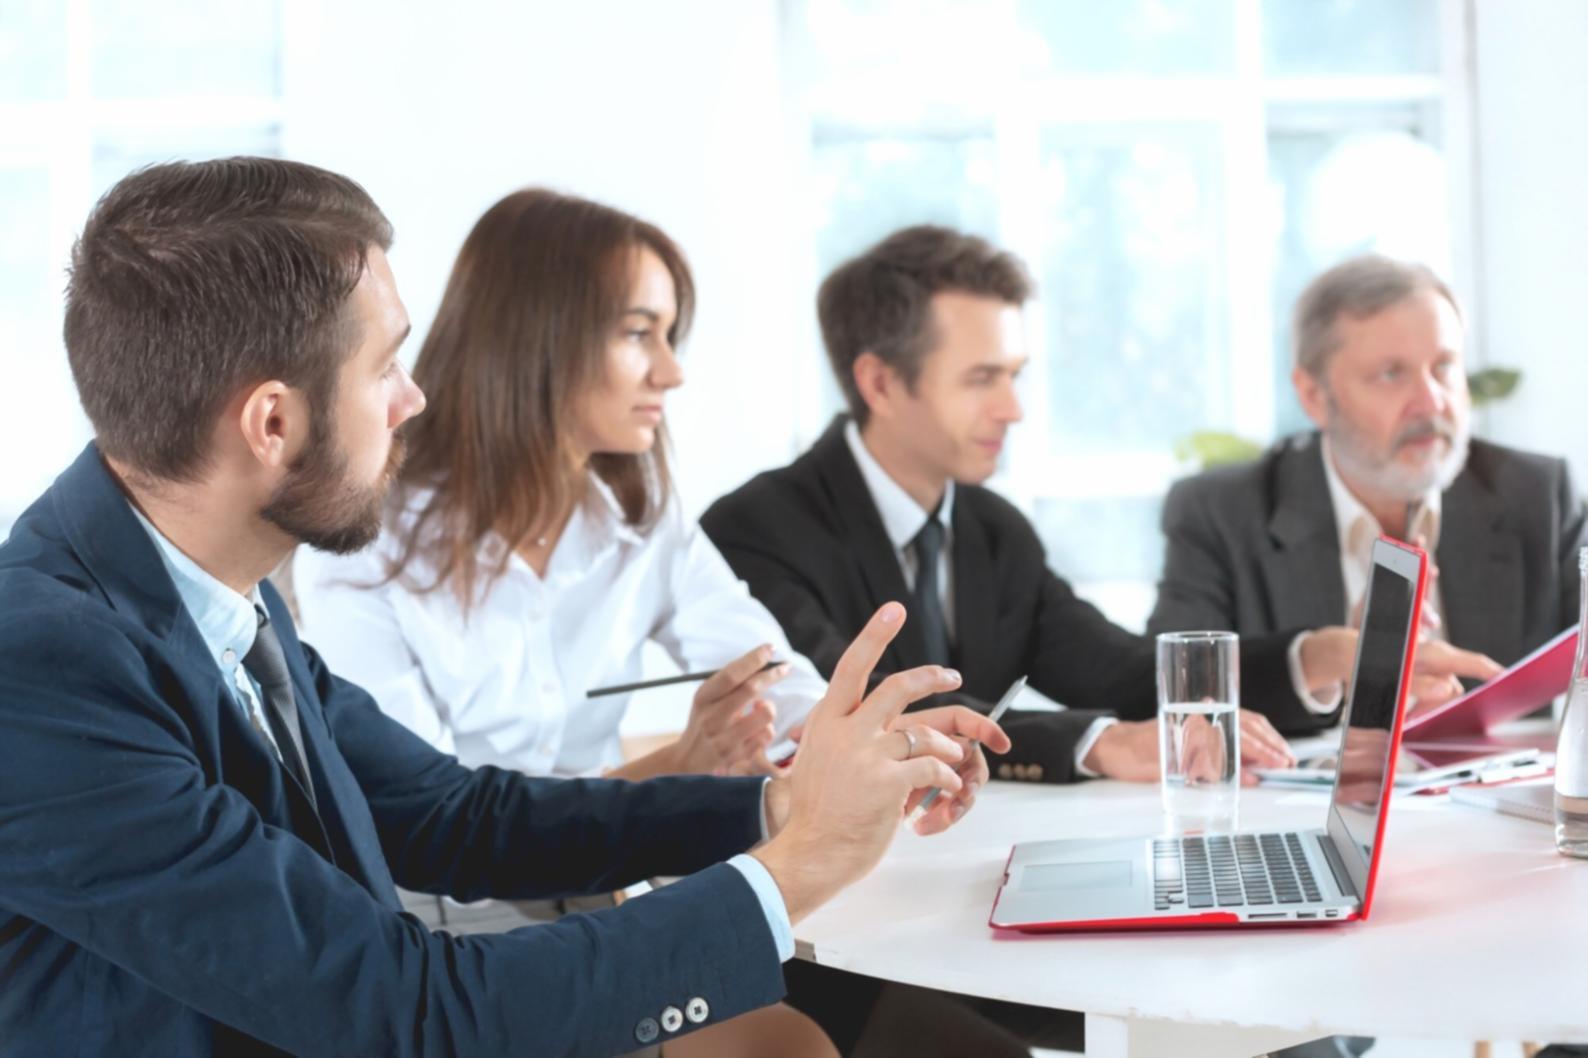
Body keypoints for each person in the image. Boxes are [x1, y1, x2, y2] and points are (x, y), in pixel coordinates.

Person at [0, 157, 1007, 1058]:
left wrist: (773, 805)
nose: (413, 400)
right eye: (383, 366)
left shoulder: (213, 585)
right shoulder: (38, 662)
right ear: (273, 422)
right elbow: (409, 1009)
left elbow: (454, 813)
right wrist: (798, 865)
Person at [703, 224, 1304, 779]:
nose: (1013, 410)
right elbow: (863, 707)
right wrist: (1102, 742)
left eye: (1014, 376)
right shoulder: (753, 531)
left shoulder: (993, 528)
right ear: (880, 383)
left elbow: (1116, 669)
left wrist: (1312, 660)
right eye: (981, 379)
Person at [293, 188, 827, 787]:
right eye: (637, 333)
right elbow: (429, 820)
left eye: (669, 336)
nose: (671, 373)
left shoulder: (640, 519)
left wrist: (879, 741)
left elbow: (774, 682)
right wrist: (671, 769)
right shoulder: (366, 543)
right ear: (534, 337)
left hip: (609, 872)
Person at [1148, 255, 1576, 731]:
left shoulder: (1534, 494)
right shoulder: (1222, 513)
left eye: (1444, 368)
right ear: (1314, 396)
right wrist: (1333, 664)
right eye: (1391, 374)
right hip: (1295, 803)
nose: (1431, 400)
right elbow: (1169, 693)